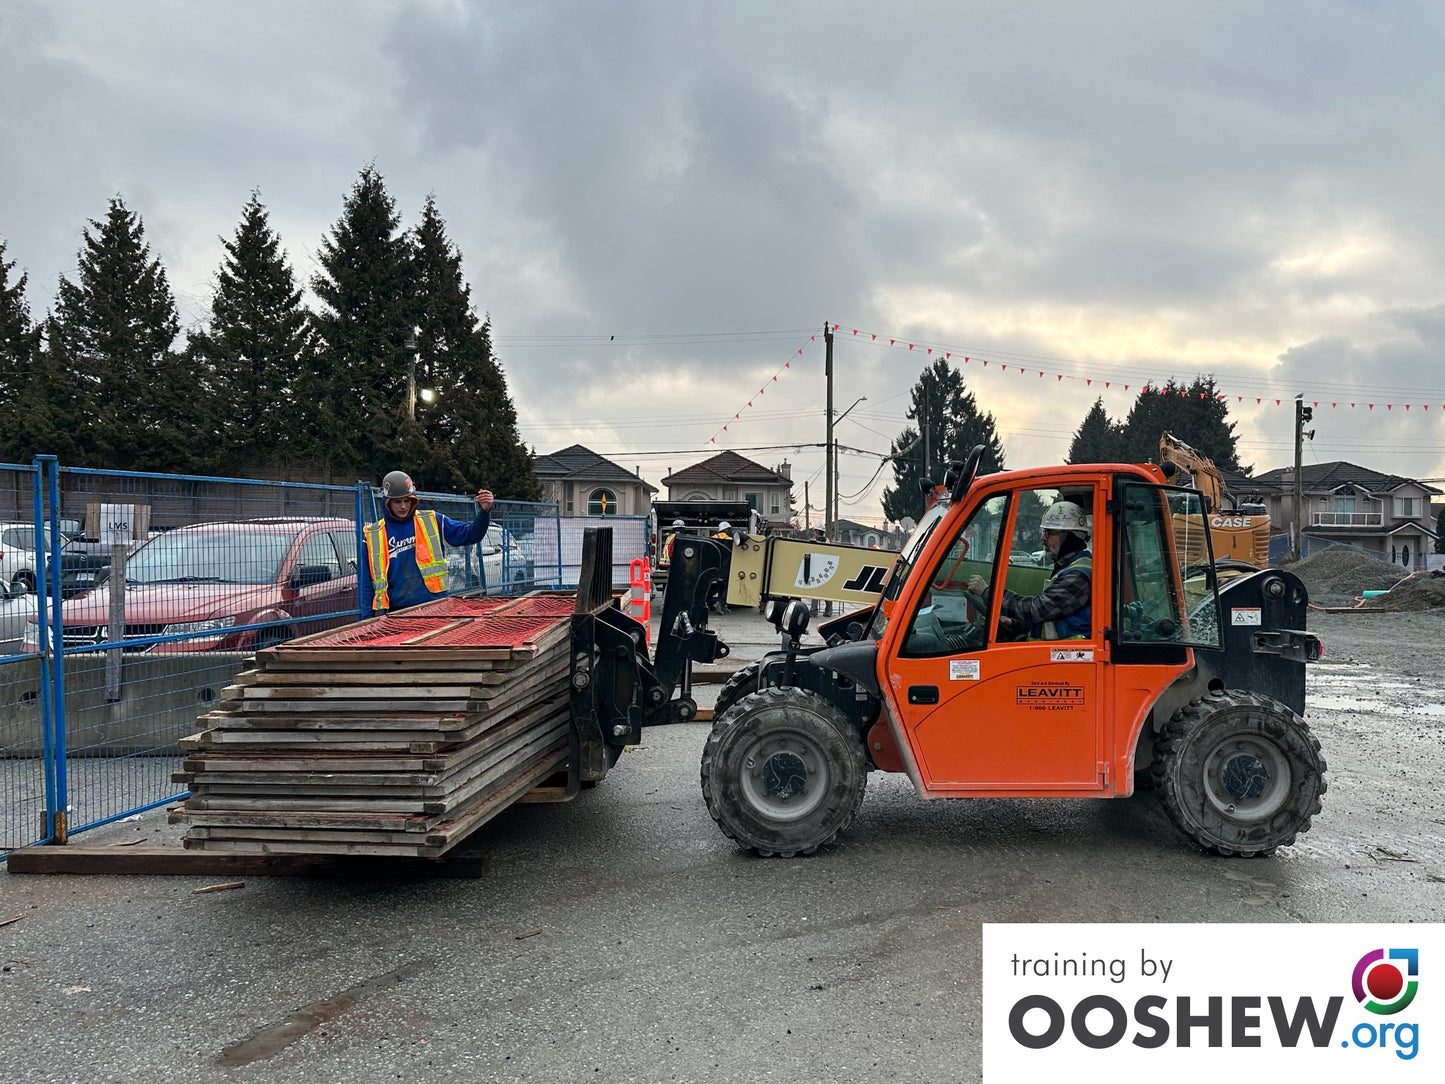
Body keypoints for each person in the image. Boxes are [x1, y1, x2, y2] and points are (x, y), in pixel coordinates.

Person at [363, 470, 495, 613]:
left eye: (407, 500)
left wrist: (484, 512)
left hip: (436, 607)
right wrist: (366, 622)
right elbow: (366, 585)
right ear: (387, 502)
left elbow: (471, 534)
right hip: (398, 614)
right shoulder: (373, 535)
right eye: (397, 501)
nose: (403, 506)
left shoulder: (432, 521)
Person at [968, 500, 1091, 640]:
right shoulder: (1070, 567)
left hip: (1068, 657)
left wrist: (987, 593)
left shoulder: (1078, 575)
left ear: (1069, 537)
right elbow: (1053, 619)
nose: (1043, 537)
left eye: (1049, 532)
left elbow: (1037, 609)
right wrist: (1015, 624)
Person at [709, 520, 735, 615]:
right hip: (726, 567)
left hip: (716, 567)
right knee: (727, 586)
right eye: (729, 529)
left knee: (720, 585)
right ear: (726, 530)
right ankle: (720, 602)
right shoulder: (730, 539)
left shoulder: (712, 538)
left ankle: (723, 605)